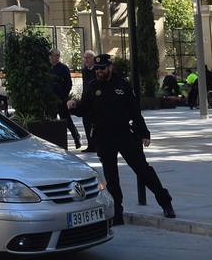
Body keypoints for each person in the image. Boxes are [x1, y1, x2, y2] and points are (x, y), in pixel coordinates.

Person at [68, 54, 175, 223]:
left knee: (143, 170)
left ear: (110, 67)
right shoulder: (92, 86)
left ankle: (165, 202)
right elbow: (85, 110)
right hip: (103, 137)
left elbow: (134, 111)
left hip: (124, 134)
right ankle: (117, 212)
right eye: (97, 69)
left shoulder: (123, 85)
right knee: (111, 178)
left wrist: (144, 133)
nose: (99, 72)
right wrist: (74, 107)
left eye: (102, 68)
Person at [49, 49, 82, 149]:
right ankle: (53, 142)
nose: (53, 58)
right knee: (51, 120)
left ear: (58, 57)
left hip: (61, 99)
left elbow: (68, 84)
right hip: (51, 100)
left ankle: (76, 138)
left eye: (55, 56)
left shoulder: (63, 68)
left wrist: (63, 96)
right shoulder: (47, 68)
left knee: (67, 120)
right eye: (51, 56)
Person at [80, 50, 97, 150]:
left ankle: (96, 144)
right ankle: (90, 145)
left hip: (95, 100)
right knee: (86, 122)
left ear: (93, 59)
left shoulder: (97, 70)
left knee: (95, 123)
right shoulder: (84, 70)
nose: (86, 60)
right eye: (84, 58)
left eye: (88, 58)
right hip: (86, 99)